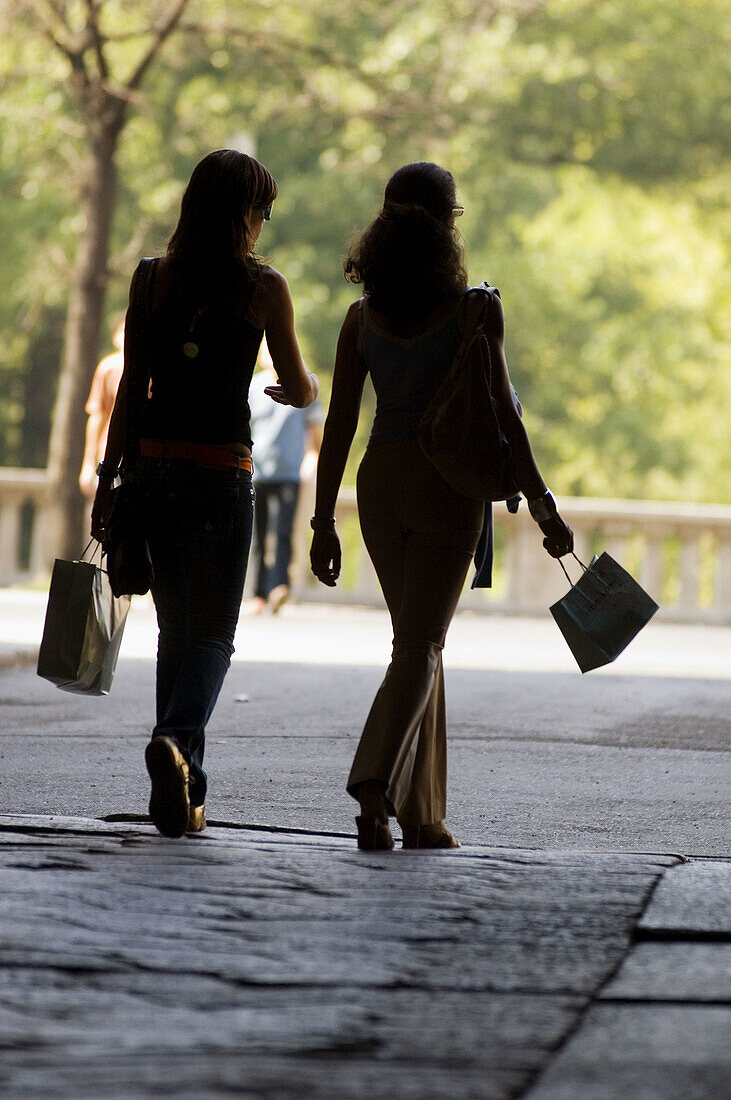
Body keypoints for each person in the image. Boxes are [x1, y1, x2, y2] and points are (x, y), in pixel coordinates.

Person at [310, 162, 573, 852]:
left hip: (378, 483)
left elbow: (339, 424)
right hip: (444, 486)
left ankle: (422, 815)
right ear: (449, 226)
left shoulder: (359, 319)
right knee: (421, 644)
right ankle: (372, 788)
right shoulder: (473, 311)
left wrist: (320, 520)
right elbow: (504, 421)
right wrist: (543, 507)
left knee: (415, 644)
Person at [91, 149, 318, 838]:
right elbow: (301, 386)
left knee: (174, 633)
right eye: (260, 212)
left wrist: (108, 478)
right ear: (240, 214)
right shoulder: (263, 286)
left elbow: (131, 387)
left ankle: (185, 789)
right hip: (220, 474)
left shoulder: (152, 278)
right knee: (214, 632)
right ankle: (174, 737)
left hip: (151, 470)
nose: (261, 225)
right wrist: (296, 390)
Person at [247, 339, 323, 614]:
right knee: (256, 534)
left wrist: (310, 463)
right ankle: (258, 594)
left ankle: (280, 587)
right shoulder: (254, 385)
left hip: (290, 472)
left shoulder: (301, 382)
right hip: (256, 471)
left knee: (283, 532)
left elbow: (315, 434)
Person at [79, 317, 125, 498]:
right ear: (115, 337)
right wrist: (88, 464)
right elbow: (97, 416)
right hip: (109, 452)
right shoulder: (109, 368)